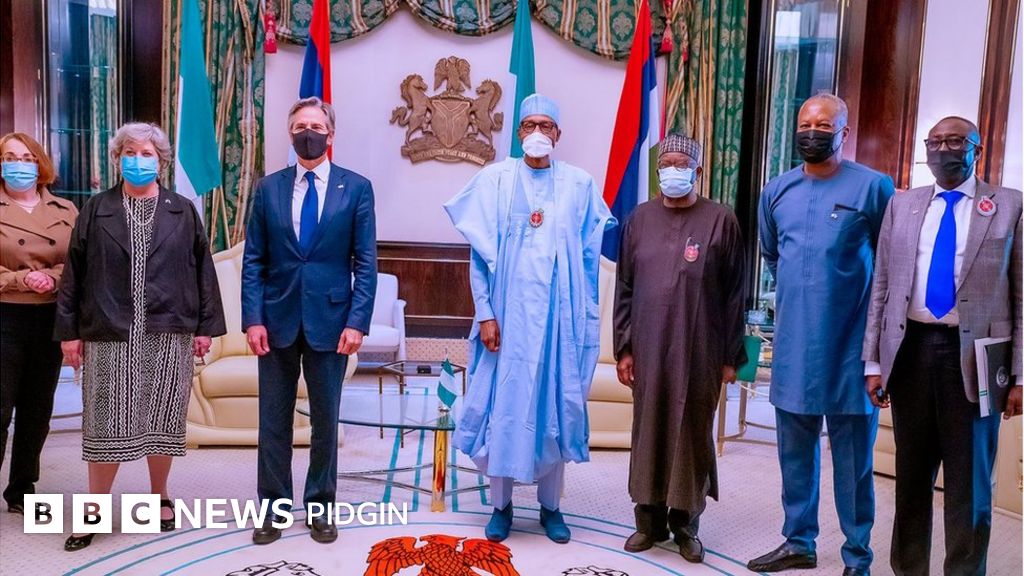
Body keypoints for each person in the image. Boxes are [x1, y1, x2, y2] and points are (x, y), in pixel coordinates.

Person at [444, 94, 615, 544]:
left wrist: (584, 318)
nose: (537, 133)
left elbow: (588, 259)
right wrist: (485, 314)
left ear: (558, 133)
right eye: (529, 125)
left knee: (553, 408)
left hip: (558, 323)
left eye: (546, 125)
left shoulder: (579, 185)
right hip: (506, 323)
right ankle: (500, 505)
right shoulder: (494, 180)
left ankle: (550, 507)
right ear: (518, 132)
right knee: (502, 410)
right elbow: (479, 258)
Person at [54, 122, 226, 551]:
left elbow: (203, 271)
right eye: (129, 152)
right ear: (117, 159)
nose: (137, 160)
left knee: (163, 418)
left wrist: (206, 328)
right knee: (104, 422)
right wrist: (69, 333)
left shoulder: (182, 210)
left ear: (161, 161)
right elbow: (74, 274)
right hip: (109, 331)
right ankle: (95, 507)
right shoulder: (96, 209)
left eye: (146, 153)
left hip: (168, 330)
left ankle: (159, 496)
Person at [862, 116, 1022, 575]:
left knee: (969, 487)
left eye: (955, 141)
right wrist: (873, 362)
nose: (943, 149)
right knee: (911, 479)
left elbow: (1021, 294)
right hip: (910, 353)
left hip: (974, 359)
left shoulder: (1009, 205)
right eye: (934, 141)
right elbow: (882, 287)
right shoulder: (902, 204)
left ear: (976, 150)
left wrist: (1020, 375)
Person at [749, 94, 894, 575]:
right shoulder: (776, 191)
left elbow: (890, 263)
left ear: (843, 133)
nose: (813, 132)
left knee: (853, 463)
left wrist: (878, 352)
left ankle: (857, 555)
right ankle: (799, 541)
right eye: (805, 123)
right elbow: (773, 256)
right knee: (794, 455)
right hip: (794, 347)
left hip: (852, 349)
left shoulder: (874, 187)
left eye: (824, 125)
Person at [242, 97, 377, 545]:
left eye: (316, 127)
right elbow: (254, 260)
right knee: (273, 423)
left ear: (331, 135)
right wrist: (252, 319)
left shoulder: (356, 188)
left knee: (325, 422)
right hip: (275, 320)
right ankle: (273, 509)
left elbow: (366, 263)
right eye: (301, 126)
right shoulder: (269, 189)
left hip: (332, 322)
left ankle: (321, 507)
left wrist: (357, 321)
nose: (308, 133)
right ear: (290, 133)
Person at [613, 133, 746, 563]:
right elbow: (625, 288)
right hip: (648, 346)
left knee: (691, 433)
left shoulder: (721, 221)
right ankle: (647, 522)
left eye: (681, 164)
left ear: (698, 171)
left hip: (701, 349)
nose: (673, 170)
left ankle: (686, 525)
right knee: (649, 429)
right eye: (666, 164)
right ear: (657, 173)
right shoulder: (638, 220)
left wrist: (730, 357)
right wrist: (624, 348)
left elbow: (735, 295)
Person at [0, 132, 78, 515]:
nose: (20, 165)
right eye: (11, 157)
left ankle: (22, 488)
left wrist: (53, 277)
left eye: (28, 158)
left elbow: (80, 261)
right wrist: (22, 279)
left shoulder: (66, 209)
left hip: (50, 317)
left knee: (36, 410)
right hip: (5, 314)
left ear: (40, 164)